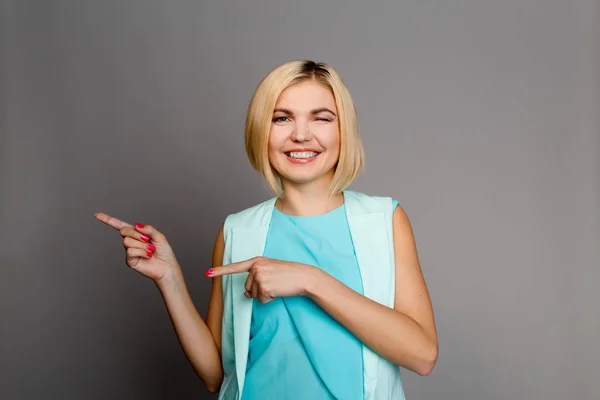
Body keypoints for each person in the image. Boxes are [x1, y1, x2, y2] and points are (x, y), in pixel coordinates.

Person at [95, 60, 438, 399]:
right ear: (262, 130)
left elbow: (422, 355)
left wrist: (310, 280)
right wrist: (169, 280)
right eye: (282, 118)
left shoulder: (383, 219)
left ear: (343, 130)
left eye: (321, 118)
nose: (301, 134)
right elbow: (217, 375)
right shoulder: (237, 231)